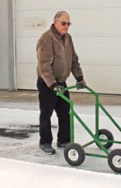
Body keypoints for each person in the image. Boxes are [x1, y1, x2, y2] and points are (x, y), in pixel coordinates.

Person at [36, 11, 86, 154]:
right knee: (46, 114)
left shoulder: (67, 38)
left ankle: (64, 141)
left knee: (65, 112)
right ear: (55, 22)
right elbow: (44, 66)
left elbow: (74, 60)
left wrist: (79, 78)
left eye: (68, 24)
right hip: (47, 84)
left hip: (61, 83)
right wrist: (52, 85)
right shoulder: (47, 39)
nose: (66, 26)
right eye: (63, 23)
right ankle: (44, 142)